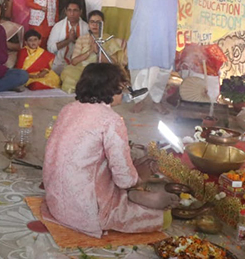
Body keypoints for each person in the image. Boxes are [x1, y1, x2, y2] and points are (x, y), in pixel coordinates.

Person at [41, 63, 178, 238]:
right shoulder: (111, 120)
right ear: (111, 90)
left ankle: (132, 196)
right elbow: (123, 178)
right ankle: (132, 198)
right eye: (121, 88)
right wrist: (138, 177)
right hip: (85, 212)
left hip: (55, 202)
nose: (124, 93)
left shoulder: (68, 109)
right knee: (164, 218)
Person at [60, 10, 124, 94]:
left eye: (98, 22)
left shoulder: (109, 39)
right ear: (88, 24)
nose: (95, 25)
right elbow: (74, 62)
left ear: (103, 24)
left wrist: (98, 52)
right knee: (68, 73)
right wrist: (90, 51)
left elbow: (114, 63)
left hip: (103, 70)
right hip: (84, 70)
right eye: (92, 22)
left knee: (110, 77)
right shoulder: (82, 39)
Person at [46, 0, 89, 75]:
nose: (72, 14)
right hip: (60, 64)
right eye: (69, 10)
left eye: (75, 10)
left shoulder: (86, 27)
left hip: (80, 65)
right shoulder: (58, 26)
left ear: (80, 12)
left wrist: (75, 40)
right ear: (65, 11)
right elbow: (50, 48)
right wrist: (68, 40)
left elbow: (89, 49)